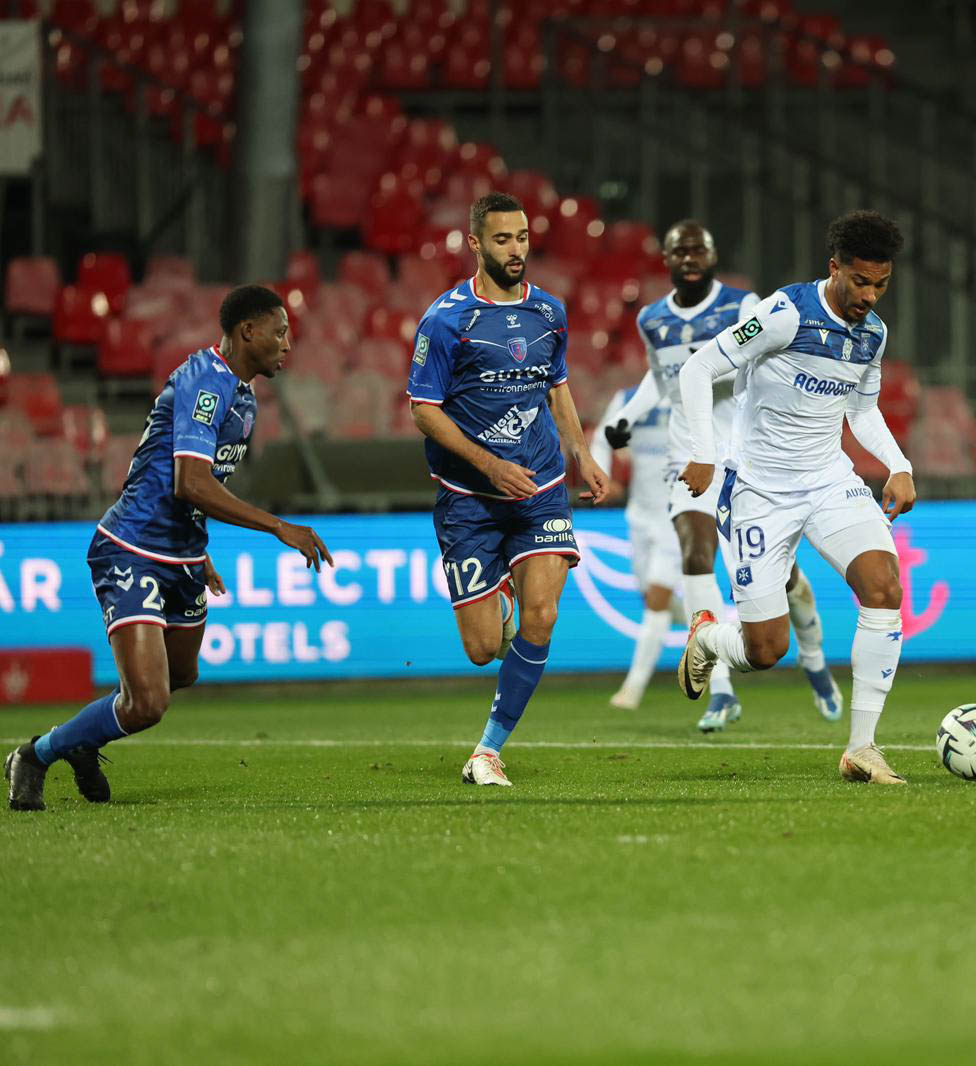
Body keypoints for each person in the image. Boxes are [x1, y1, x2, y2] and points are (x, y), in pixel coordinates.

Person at [4, 285, 333, 812]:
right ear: (248, 331)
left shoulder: (244, 399)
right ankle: (36, 754)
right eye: (280, 331)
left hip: (182, 556)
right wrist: (278, 527)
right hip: (132, 548)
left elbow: (180, 475)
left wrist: (199, 553)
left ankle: (86, 738)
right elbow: (190, 482)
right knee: (148, 703)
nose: (287, 343)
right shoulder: (206, 380)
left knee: (182, 674)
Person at [674, 211, 916, 784]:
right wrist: (704, 452)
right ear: (834, 268)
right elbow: (698, 368)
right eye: (860, 281)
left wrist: (900, 465)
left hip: (829, 481)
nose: (869, 296)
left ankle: (862, 748)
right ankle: (707, 637)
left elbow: (861, 410)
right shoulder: (785, 313)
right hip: (759, 491)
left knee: (884, 587)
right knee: (765, 651)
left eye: (881, 285)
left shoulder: (872, 334)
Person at [603, 219, 842, 733]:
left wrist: (708, 365)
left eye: (699, 250)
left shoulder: (742, 305)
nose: (690, 259)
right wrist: (628, 415)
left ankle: (815, 660)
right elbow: (661, 377)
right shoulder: (651, 319)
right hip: (688, 459)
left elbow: (758, 366)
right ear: (667, 260)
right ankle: (721, 689)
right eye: (680, 251)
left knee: (785, 580)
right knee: (695, 554)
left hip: (744, 461)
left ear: (712, 256)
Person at [408, 191, 610, 788]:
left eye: (521, 237)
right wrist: (489, 466)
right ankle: (497, 593)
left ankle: (488, 751)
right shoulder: (446, 320)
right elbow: (423, 410)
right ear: (475, 244)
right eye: (502, 239)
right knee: (481, 648)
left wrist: (582, 454)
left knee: (541, 617)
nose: (516, 249)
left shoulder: (549, 311)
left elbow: (557, 385)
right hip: (469, 497)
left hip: (540, 486)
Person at [589, 382, 678, 710]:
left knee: (656, 600)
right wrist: (604, 476)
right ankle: (712, 627)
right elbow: (603, 437)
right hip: (640, 514)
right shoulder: (630, 399)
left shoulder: (696, 389)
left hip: (678, 516)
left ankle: (632, 689)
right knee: (652, 597)